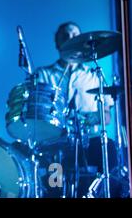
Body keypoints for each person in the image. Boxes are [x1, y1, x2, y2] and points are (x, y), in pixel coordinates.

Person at [35, 22, 117, 194]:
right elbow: (38, 113)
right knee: (54, 187)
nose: (71, 39)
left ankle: (102, 192)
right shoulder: (43, 74)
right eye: (65, 35)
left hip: (91, 141)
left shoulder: (94, 76)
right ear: (57, 43)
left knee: (109, 151)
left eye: (75, 35)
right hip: (57, 145)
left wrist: (94, 117)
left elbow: (107, 116)